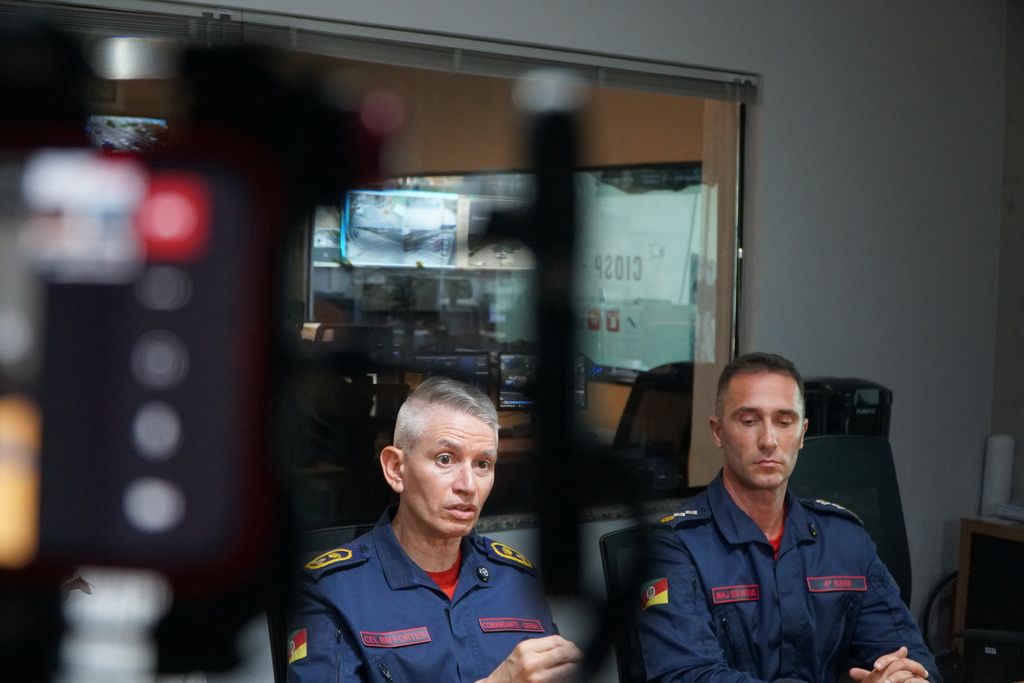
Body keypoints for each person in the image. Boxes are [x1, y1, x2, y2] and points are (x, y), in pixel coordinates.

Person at [636, 352, 941, 683]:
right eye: (749, 420)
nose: (769, 440)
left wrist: (907, 677)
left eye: (784, 421)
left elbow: (907, 650)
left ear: (802, 433)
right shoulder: (677, 545)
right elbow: (688, 675)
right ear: (718, 431)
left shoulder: (845, 538)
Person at [286, 375, 581, 682]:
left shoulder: (519, 580)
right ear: (396, 469)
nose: (468, 486)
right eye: (445, 459)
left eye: (482, 464)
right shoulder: (331, 591)